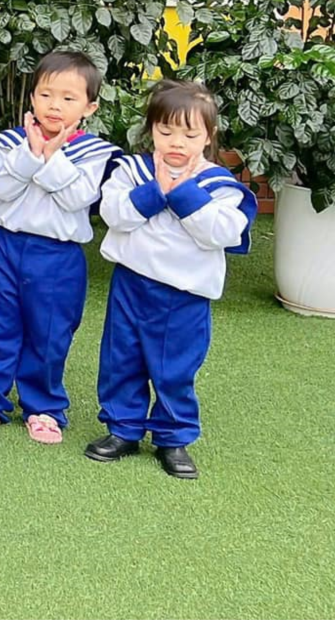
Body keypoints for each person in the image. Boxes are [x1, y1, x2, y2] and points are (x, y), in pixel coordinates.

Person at [87, 80, 256, 480]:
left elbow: (223, 232)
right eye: (166, 131)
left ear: (209, 136)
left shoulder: (219, 184)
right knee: (121, 359)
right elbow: (114, 214)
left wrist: (180, 193)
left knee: (175, 367)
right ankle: (123, 429)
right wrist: (156, 190)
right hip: (131, 284)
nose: (177, 142)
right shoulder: (132, 170)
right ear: (152, 130)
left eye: (190, 134)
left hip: (184, 296)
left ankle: (173, 437)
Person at [0, 50, 118, 444]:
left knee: (50, 333)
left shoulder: (95, 153)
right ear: (32, 97)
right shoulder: (11, 141)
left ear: (89, 107)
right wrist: (32, 154)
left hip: (58, 256)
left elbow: (78, 197)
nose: (55, 105)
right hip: (7, 246)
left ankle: (43, 406)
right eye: (46, 95)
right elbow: (1, 188)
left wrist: (50, 157)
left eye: (69, 98)